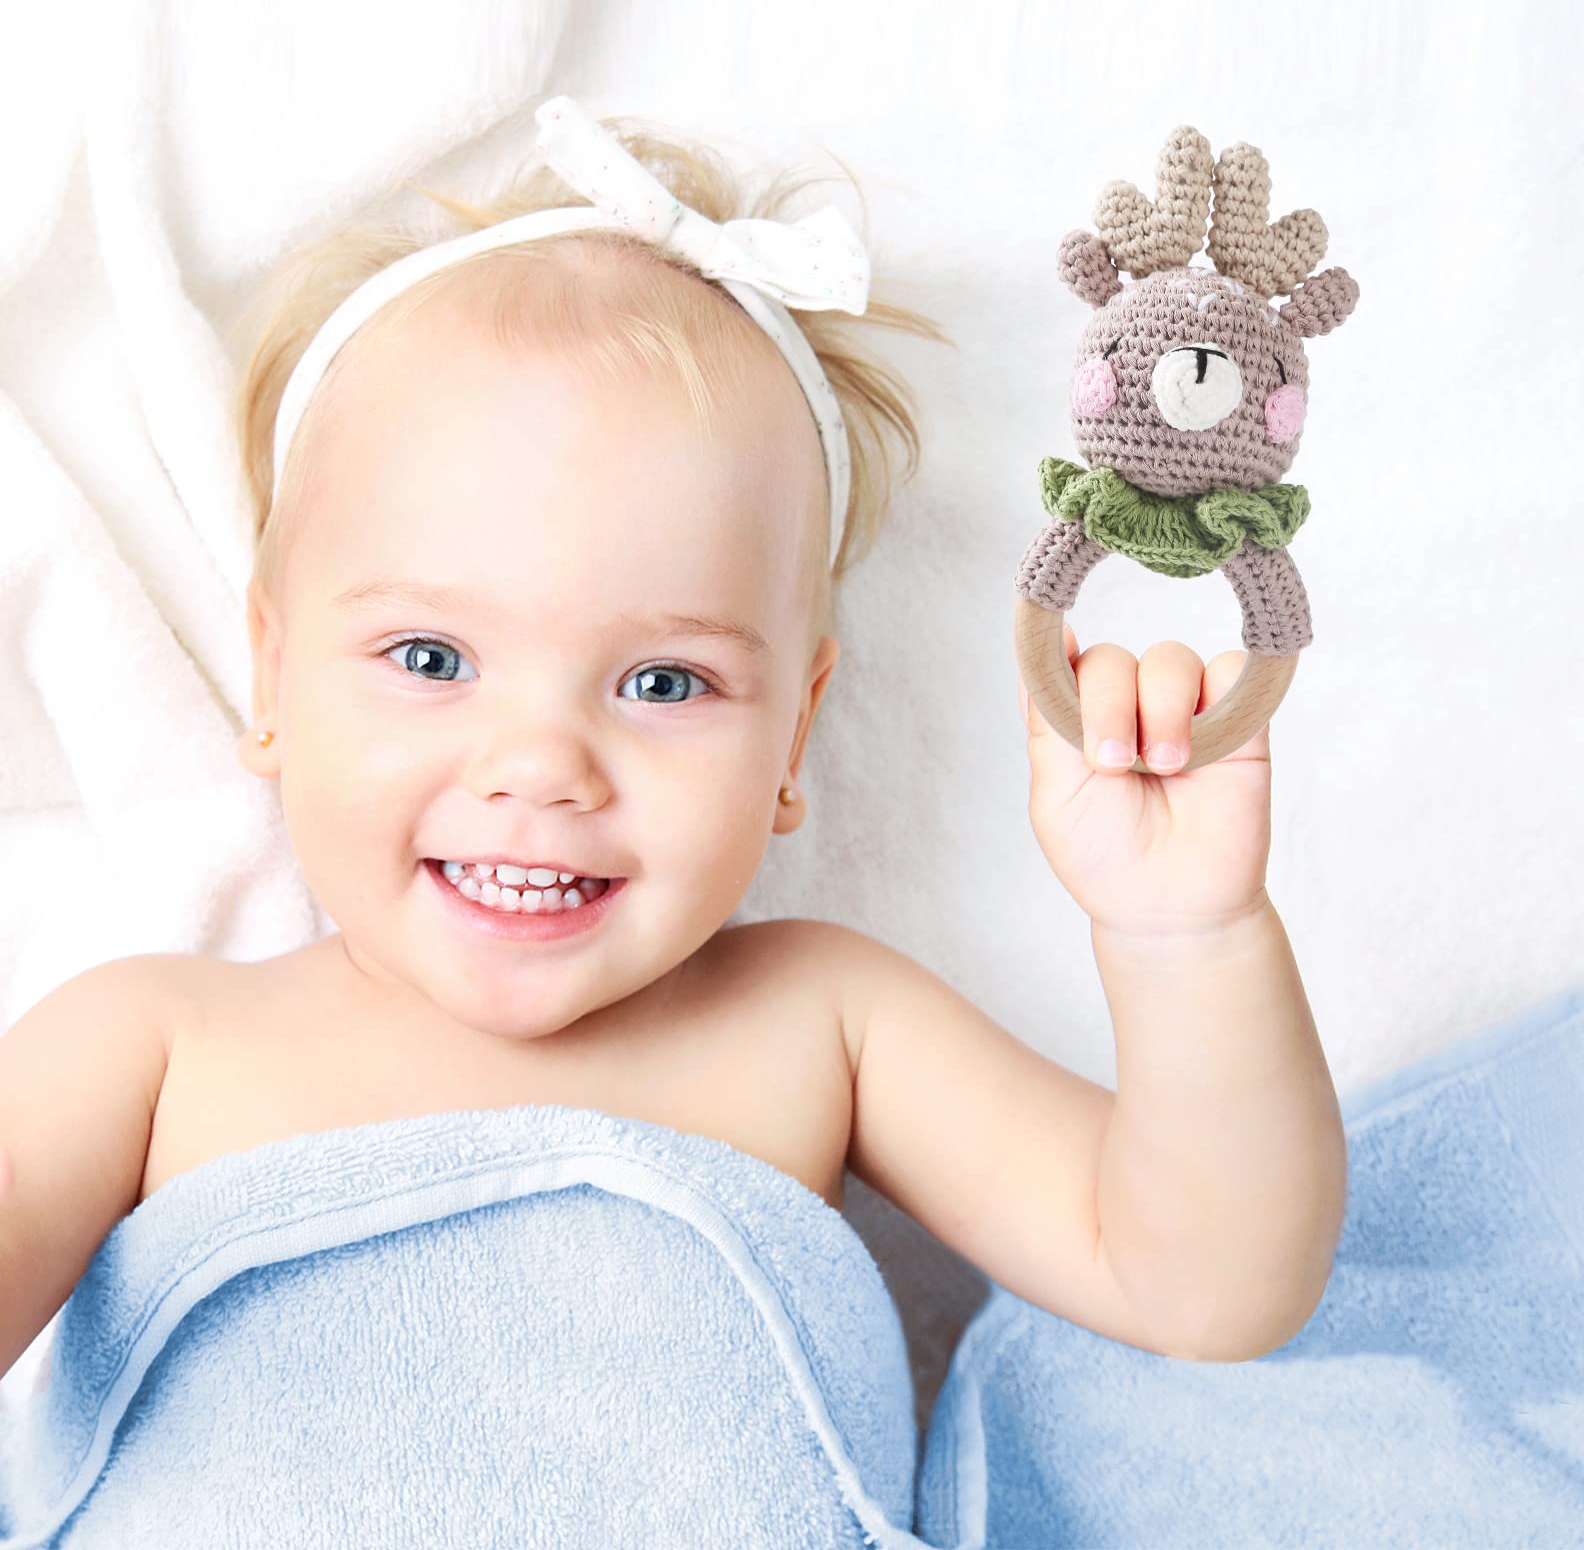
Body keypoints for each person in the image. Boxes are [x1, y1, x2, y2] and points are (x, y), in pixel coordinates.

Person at [0, 98, 1345, 1396]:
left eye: (662, 681)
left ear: (794, 734)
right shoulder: (153, 1050)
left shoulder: (823, 1023)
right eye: (431, 660)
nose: (542, 766)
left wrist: (1188, 936)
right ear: (274, 675)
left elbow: (1205, 1289)